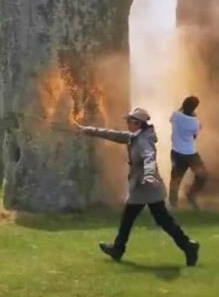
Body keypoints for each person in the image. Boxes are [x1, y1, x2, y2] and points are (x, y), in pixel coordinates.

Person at [75, 107, 200, 267]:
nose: (127, 123)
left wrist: (148, 176)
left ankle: (119, 249)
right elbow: (113, 134)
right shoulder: (136, 136)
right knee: (160, 221)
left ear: (138, 123)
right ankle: (188, 246)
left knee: (137, 220)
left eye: (130, 121)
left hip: (147, 188)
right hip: (145, 189)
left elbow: (149, 157)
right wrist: (88, 130)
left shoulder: (143, 141)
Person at [169, 96, 209, 210]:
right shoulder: (195, 122)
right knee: (202, 176)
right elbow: (195, 136)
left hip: (176, 152)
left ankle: (173, 203)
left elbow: (172, 118)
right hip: (190, 153)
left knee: (176, 178)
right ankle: (191, 193)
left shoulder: (175, 115)